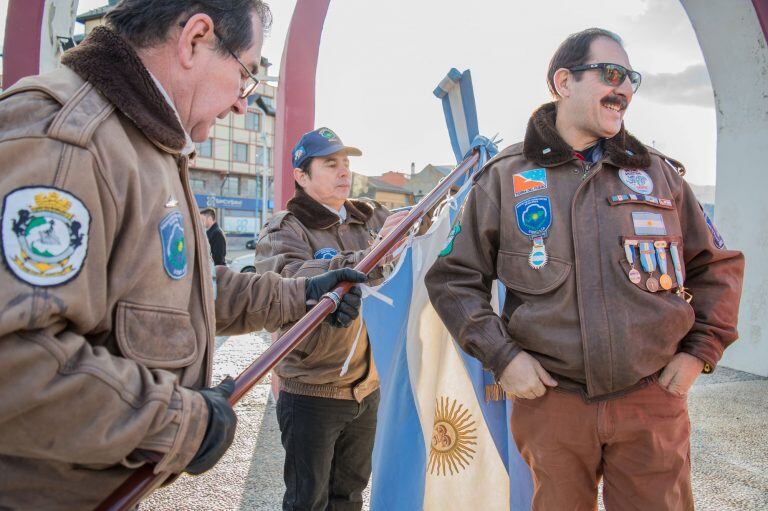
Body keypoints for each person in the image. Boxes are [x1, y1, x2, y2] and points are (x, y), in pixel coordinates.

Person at [0, 1, 366, 508]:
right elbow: (16, 361)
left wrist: (302, 294)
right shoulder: (70, 142)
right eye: (246, 75)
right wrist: (182, 421)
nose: (242, 103)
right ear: (195, 38)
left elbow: (191, 284)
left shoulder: (143, 148)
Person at [425, 28, 745, 510]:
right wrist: (504, 357)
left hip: (650, 400)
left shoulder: (659, 176)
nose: (626, 89)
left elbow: (716, 267)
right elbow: (453, 279)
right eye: (612, 74)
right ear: (564, 82)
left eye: (632, 78)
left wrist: (698, 352)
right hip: (553, 406)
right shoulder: (504, 178)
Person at [253, 127, 408, 511]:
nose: (344, 172)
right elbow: (290, 282)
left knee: (350, 497)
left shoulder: (370, 217)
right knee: (308, 501)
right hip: (313, 389)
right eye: (330, 163)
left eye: (346, 163)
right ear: (301, 176)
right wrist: (376, 252)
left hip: (366, 386)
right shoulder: (285, 228)